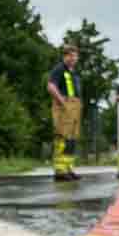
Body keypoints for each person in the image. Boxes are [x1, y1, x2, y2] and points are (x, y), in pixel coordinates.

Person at [46, 45, 83, 181]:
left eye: (75, 56)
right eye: (71, 56)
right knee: (63, 136)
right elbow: (50, 86)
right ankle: (60, 171)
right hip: (65, 106)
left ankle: (68, 168)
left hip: (75, 106)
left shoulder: (73, 73)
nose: (73, 59)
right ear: (65, 56)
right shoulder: (59, 69)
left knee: (72, 138)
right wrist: (62, 100)